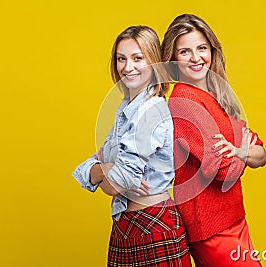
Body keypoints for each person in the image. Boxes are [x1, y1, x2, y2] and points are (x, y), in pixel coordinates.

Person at [72, 25, 191, 267]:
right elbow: (92, 167)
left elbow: (117, 182)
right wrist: (106, 167)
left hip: (153, 225)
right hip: (125, 228)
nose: (128, 67)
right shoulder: (126, 109)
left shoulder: (151, 111)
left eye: (138, 58)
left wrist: (103, 169)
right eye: (121, 59)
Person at [161, 14, 266, 266]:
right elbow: (222, 170)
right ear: (173, 58)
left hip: (233, 216)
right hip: (210, 227)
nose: (196, 58)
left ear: (212, 50)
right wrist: (243, 148)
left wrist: (240, 150)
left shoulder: (216, 94)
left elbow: (261, 154)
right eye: (185, 51)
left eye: (202, 48)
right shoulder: (184, 101)